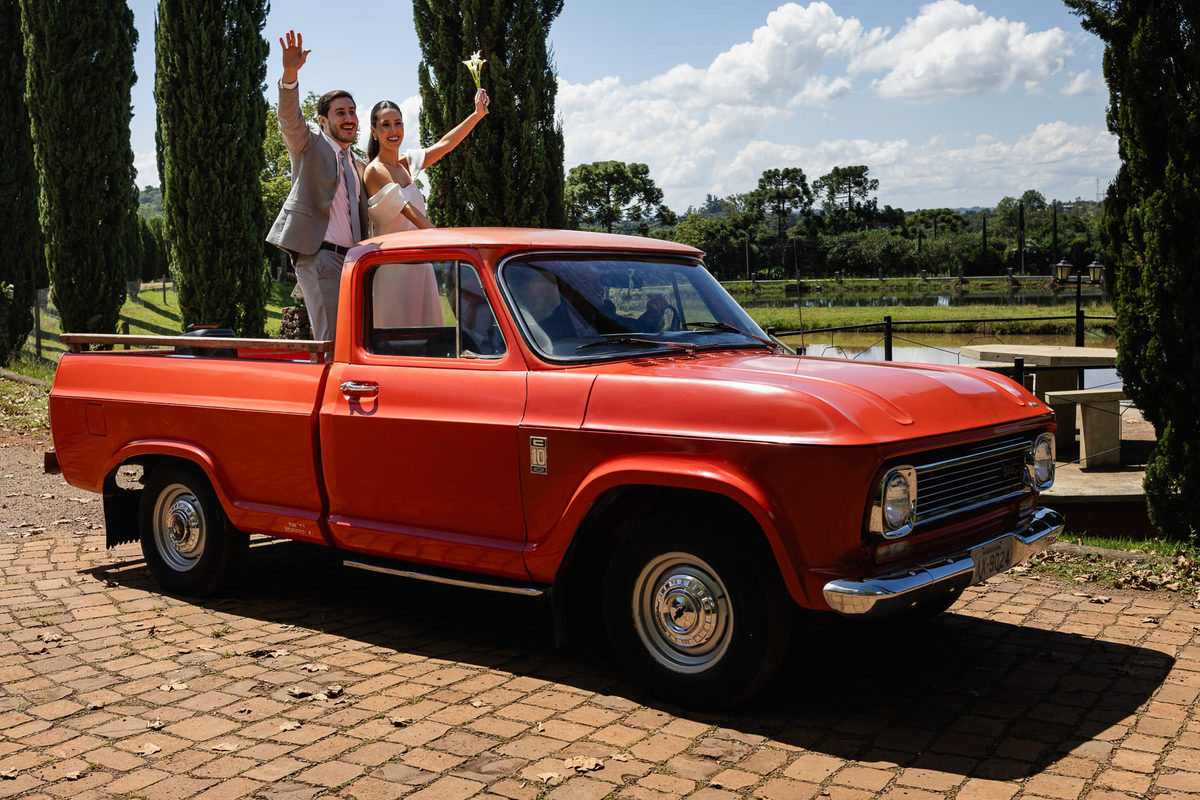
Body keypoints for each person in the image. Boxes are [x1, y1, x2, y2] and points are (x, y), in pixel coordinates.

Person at [265, 30, 367, 344]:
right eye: (340, 113)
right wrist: (290, 75)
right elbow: (289, 118)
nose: (349, 118)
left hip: (354, 262)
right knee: (333, 341)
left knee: (354, 341)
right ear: (322, 120)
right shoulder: (310, 144)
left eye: (352, 112)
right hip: (320, 256)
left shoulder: (357, 163)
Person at [363, 92, 489, 328]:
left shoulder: (406, 163)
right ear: (374, 131)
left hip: (421, 265)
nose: (393, 131)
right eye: (386, 125)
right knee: (399, 341)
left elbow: (445, 145)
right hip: (394, 269)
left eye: (397, 123)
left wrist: (477, 114)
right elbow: (408, 211)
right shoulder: (374, 170)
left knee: (428, 338)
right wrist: (448, 243)